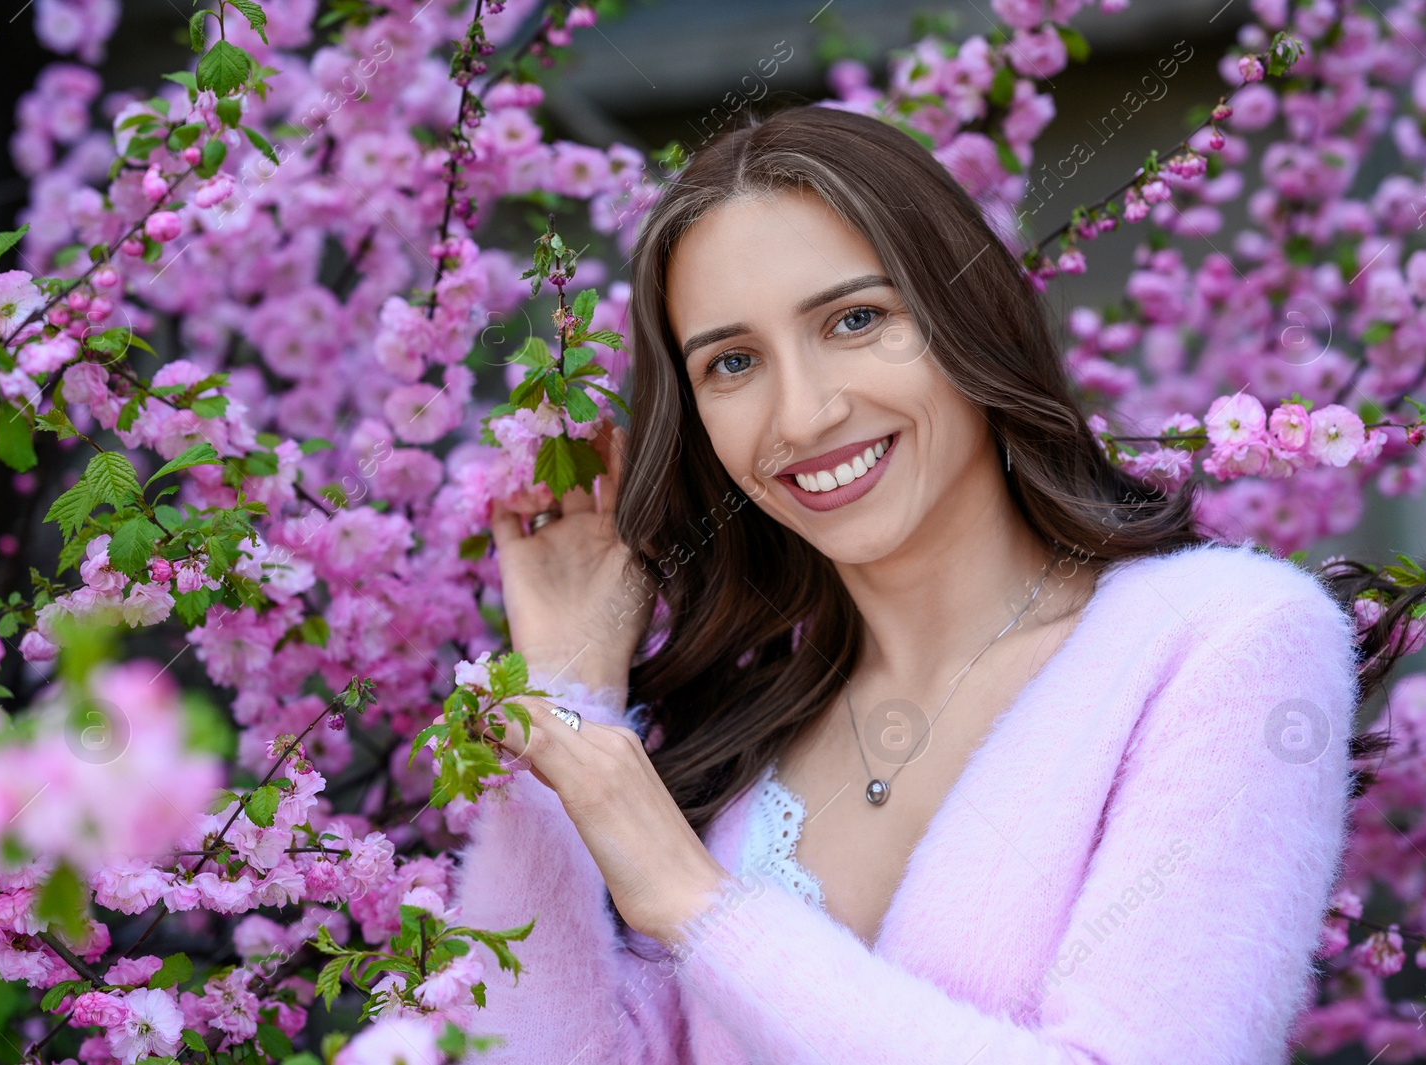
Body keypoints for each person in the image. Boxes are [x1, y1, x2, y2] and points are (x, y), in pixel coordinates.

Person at [449, 104, 1375, 1063]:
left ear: (965, 315)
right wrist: (564, 691)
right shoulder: (744, 752)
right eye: (732, 362)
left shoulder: (1222, 642)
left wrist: (702, 909)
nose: (804, 415)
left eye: (856, 319)